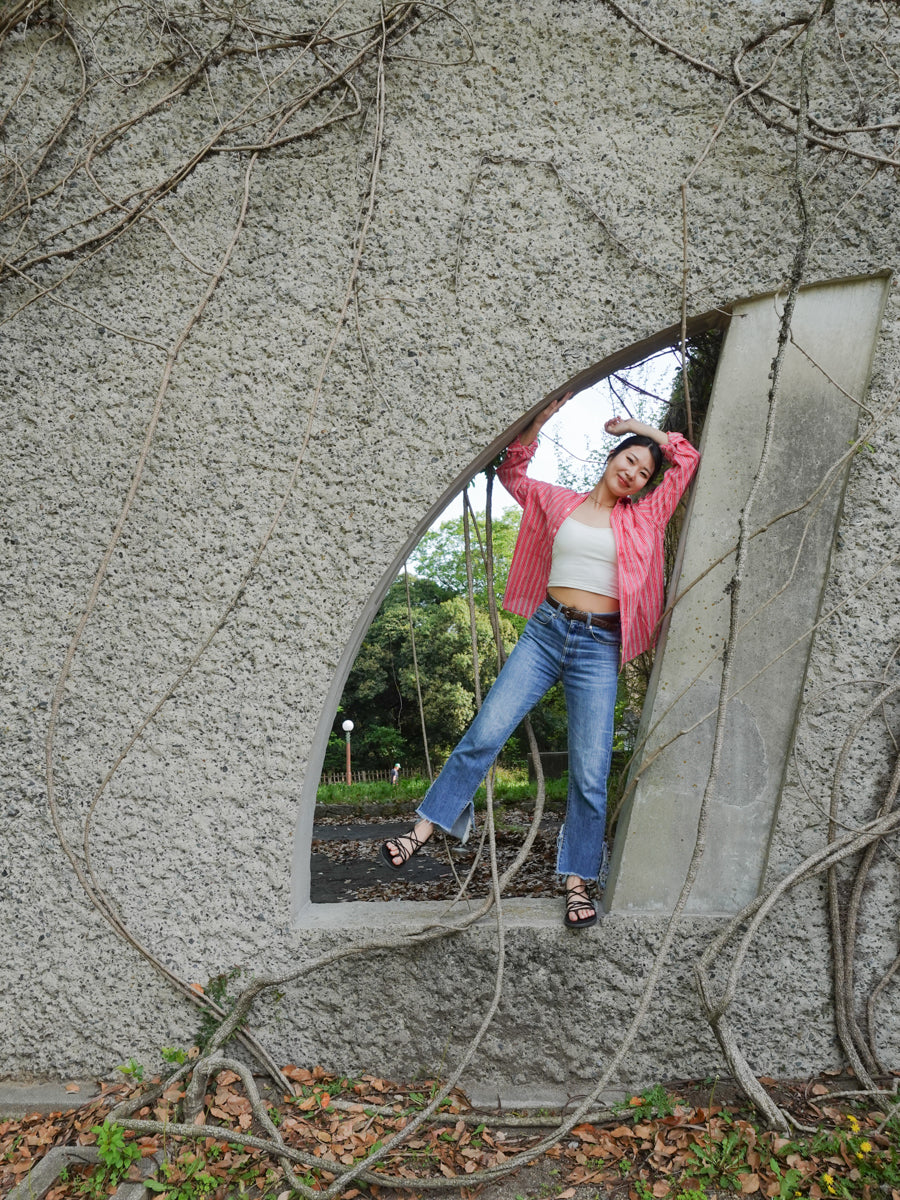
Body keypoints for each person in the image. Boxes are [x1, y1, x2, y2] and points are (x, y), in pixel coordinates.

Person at [380, 394, 700, 928]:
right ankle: (423, 832)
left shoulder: (647, 515)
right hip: (546, 633)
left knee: (591, 774)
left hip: (599, 647)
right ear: (610, 458)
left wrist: (640, 427)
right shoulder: (558, 502)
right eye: (628, 460)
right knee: (485, 733)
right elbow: (513, 472)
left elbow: (685, 458)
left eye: (645, 472)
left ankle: (578, 884)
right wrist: (541, 421)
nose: (634, 474)